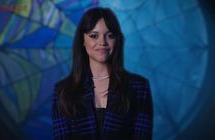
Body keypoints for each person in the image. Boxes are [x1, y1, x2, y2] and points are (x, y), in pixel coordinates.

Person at [52, 7, 153, 140]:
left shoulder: (139, 87)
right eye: (94, 36)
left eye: (110, 35)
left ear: (117, 40)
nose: (102, 42)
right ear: (82, 40)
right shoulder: (62, 91)